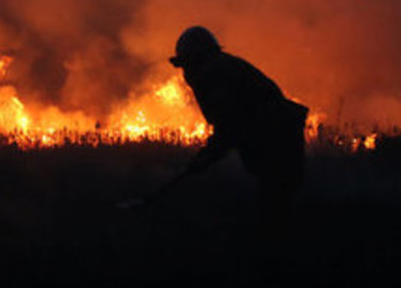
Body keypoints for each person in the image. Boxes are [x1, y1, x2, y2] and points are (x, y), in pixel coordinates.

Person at [120, 26, 308, 223]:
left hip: (278, 138)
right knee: (275, 200)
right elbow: (232, 125)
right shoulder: (224, 69)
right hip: (276, 135)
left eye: (188, 64)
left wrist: (210, 153)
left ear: (199, 60)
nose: (186, 73)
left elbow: (231, 123)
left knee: (274, 205)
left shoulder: (219, 76)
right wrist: (210, 152)